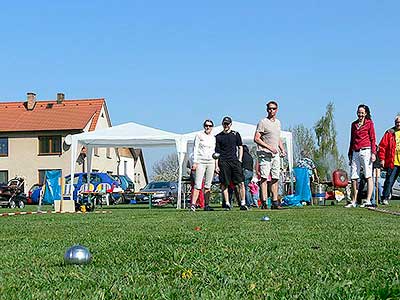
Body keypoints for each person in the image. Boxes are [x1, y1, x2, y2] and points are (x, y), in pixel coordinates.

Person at [254, 100, 287, 209]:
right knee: (264, 177)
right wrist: (269, 148)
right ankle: (263, 202)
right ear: (267, 109)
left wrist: (282, 149)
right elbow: (256, 139)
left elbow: (277, 138)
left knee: (275, 177)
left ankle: (274, 201)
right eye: (269, 108)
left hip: (275, 154)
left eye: (273, 108)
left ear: (277, 110)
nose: (271, 110)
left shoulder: (278, 122)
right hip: (265, 154)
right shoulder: (263, 122)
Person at [346, 104, 376, 208]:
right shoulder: (353, 124)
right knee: (354, 176)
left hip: (366, 151)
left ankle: (367, 200)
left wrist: (373, 153)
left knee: (368, 175)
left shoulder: (369, 123)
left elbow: (373, 139)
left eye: (362, 112)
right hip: (355, 151)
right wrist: (350, 153)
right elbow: (352, 139)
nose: (360, 114)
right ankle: (353, 201)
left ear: (366, 113)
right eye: (359, 112)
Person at [215, 116, 248, 210]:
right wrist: (216, 165)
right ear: (222, 124)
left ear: (230, 124)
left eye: (228, 124)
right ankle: (227, 204)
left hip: (234, 161)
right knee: (224, 184)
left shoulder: (236, 134)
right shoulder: (218, 137)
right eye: (224, 124)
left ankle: (243, 203)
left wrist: (239, 160)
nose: (226, 125)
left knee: (240, 183)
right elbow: (216, 153)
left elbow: (240, 147)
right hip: (223, 162)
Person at [190, 119, 217, 212]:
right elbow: (195, 148)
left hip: (211, 162)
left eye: (209, 126)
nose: (208, 127)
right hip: (200, 161)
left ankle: (207, 205)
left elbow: (215, 151)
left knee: (208, 185)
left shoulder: (213, 137)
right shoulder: (199, 135)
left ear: (212, 127)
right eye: (206, 125)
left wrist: (216, 165)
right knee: (197, 184)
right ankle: (193, 204)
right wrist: (195, 162)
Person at [378, 114, 400, 205]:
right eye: (397, 122)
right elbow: (382, 147)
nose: (398, 124)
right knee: (389, 180)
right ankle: (385, 198)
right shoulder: (389, 132)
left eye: (399, 122)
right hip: (392, 162)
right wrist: (382, 159)